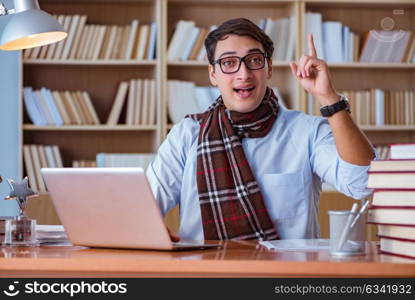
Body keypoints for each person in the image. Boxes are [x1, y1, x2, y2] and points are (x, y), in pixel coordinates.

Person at [146, 18, 374, 241]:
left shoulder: (308, 131)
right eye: (228, 62)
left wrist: (328, 97)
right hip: (205, 275)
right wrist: (152, 231)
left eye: (254, 60)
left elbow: (362, 184)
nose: (243, 74)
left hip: (284, 276)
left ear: (269, 68)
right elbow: (144, 206)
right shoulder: (186, 135)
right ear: (213, 74)